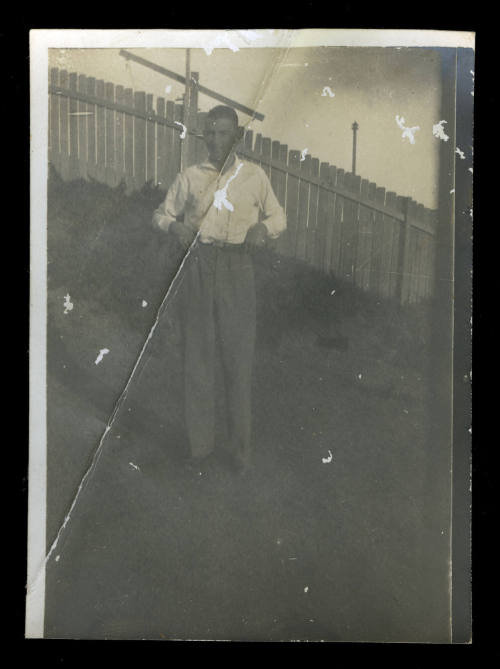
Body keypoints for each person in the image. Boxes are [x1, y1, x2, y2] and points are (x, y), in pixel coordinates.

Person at [152, 105, 286, 474]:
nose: (214, 140)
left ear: (236, 137)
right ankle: (199, 449)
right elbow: (161, 213)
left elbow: (278, 216)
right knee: (198, 357)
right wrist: (174, 228)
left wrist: (263, 230)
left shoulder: (255, 177)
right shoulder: (191, 176)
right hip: (198, 265)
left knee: (237, 360)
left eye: (222, 133)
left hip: (238, 268)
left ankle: (239, 452)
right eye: (209, 133)